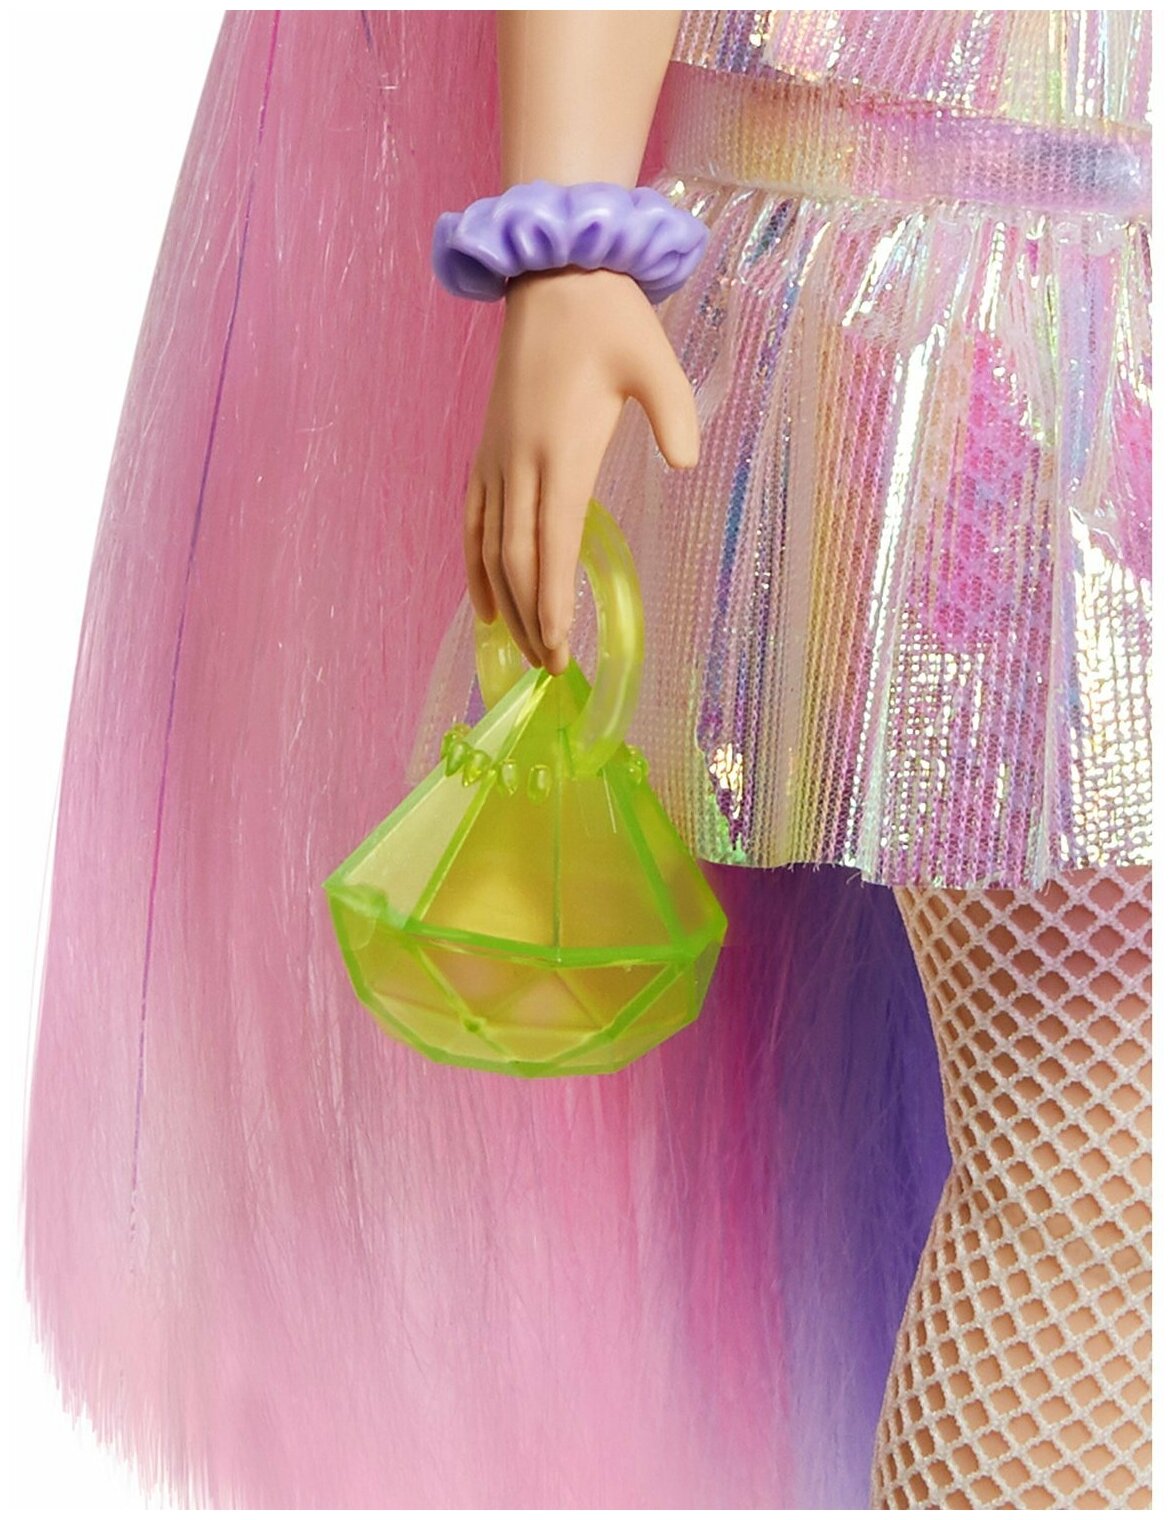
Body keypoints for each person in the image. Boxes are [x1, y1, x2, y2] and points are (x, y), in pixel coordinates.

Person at [22, 9, 1151, 1509]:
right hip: (964, 250)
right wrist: (566, 249)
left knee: (1100, 1142)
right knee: (1096, 1132)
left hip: (1032, 213)